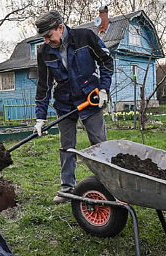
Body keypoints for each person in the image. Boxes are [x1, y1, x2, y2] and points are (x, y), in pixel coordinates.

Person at [33, 10, 113, 203]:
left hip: (90, 98)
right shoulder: (44, 52)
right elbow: (44, 86)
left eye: (49, 36)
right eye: (43, 37)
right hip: (65, 103)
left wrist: (103, 89)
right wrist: (40, 117)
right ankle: (67, 188)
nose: (46, 41)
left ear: (60, 28)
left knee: (99, 144)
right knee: (66, 147)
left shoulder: (85, 37)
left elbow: (106, 61)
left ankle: (108, 186)